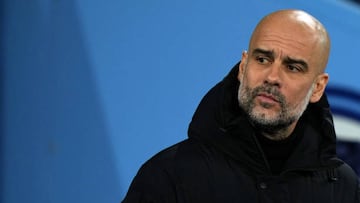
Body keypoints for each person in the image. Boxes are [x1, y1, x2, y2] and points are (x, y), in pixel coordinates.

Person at [122, 9, 360, 202]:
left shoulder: (344, 189)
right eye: (262, 59)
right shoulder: (170, 175)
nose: (272, 77)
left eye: (293, 67)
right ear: (243, 66)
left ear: (318, 87)